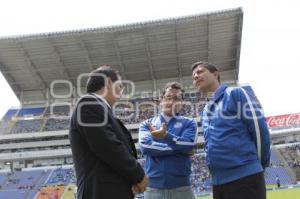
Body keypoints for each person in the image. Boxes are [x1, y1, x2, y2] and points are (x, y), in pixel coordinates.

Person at [191, 61, 271, 199]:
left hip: (246, 178)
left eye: (200, 72)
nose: (196, 76)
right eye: (193, 76)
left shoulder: (236, 93)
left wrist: (257, 166)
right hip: (218, 183)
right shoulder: (205, 111)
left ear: (215, 74)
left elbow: (259, 131)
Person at [69, 66, 147, 199]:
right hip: (101, 192)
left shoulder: (101, 109)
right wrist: (139, 175)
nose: (122, 91)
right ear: (109, 82)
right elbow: (108, 146)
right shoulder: (88, 103)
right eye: (120, 86)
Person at [139, 81, 198, 199]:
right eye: (168, 97)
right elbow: (146, 147)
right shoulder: (146, 124)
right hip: (152, 190)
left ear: (181, 103)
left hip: (183, 189)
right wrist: (177, 148)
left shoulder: (190, 123)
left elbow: (188, 145)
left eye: (176, 99)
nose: (171, 102)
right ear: (161, 100)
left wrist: (166, 136)